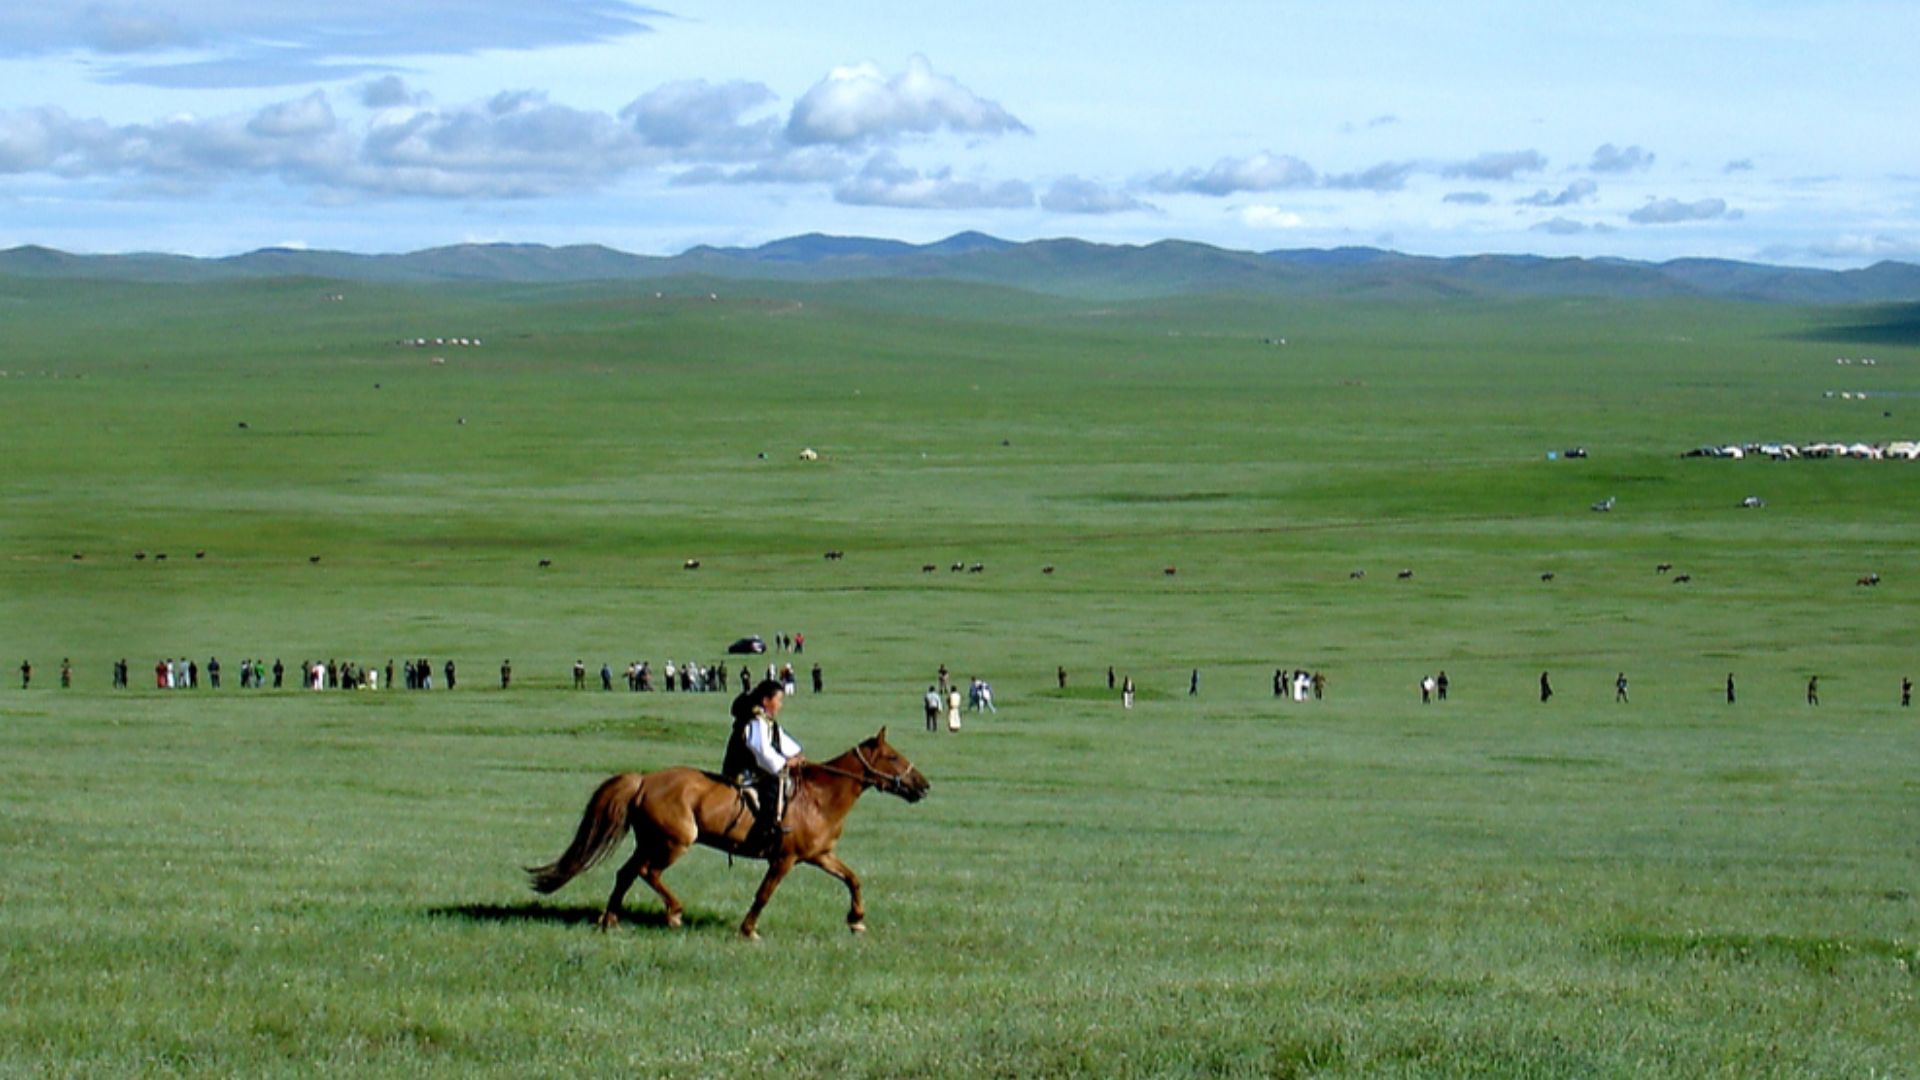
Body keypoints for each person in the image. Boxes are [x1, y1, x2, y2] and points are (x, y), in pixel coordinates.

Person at [722, 679, 803, 854]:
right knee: (773, 788)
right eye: (778, 700)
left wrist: (796, 754)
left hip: (753, 769)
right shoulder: (755, 720)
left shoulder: (765, 720)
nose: (780, 705)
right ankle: (763, 834)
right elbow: (762, 750)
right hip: (742, 772)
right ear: (766, 701)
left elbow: (780, 739)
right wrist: (784, 763)